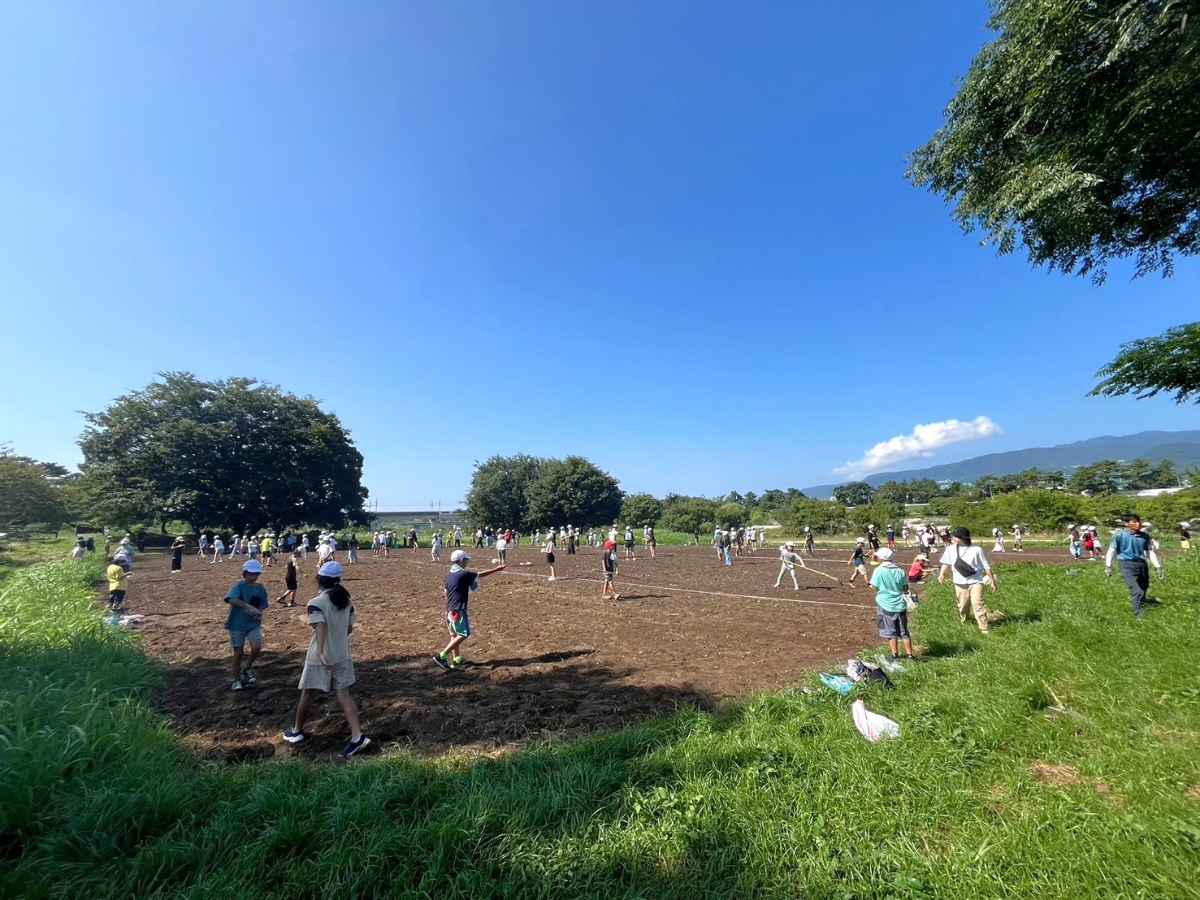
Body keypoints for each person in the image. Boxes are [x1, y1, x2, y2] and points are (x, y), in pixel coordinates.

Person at [283, 561, 371, 759]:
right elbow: (348, 629)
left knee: (307, 693)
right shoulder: (346, 600)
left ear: (319, 579)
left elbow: (320, 628)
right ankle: (357, 736)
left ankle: (296, 731)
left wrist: (322, 652)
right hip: (342, 653)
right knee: (344, 694)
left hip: (320, 656)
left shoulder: (316, 603)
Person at [433, 550, 505, 670]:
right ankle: (442, 655)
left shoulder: (449, 575)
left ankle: (456, 659)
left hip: (450, 609)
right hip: (459, 609)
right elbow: (479, 575)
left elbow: (446, 593)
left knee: (454, 635)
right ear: (461, 560)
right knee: (464, 634)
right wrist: (497, 569)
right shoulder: (463, 574)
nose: (467, 562)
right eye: (466, 560)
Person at [938, 527, 998, 634]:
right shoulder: (950, 549)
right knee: (963, 606)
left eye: (955, 536)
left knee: (978, 603)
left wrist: (993, 580)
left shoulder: (977, 550)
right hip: (959, 582)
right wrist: (941, 574)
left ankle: (984, 628)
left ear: (961, 538)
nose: (952, 538)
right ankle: (965, 620)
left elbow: (986, 566)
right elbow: (946, 563)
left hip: (976, 581)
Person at [224, 560, 268, 690]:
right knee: (238, 653)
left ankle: (246, 668)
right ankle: (236, 680)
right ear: (244, 574)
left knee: (257, 647)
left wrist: (258, 613)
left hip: (253, 624)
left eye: (257, 574)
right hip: (236, 625)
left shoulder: (260, 588)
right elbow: (231, 599)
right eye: (251, 574)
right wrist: (247, 606)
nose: (254, 576)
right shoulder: (238, 586)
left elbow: (262, 605)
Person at [870, 548, 915, 661]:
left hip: (885, 604)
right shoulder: (900, 570)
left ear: (881, 558)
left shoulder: (878, 570)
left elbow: (874, 586)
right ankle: (910, 656)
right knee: (904, 631)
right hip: (900, 604)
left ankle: (895, 655)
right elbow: (905, 588)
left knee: (890, 632)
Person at [1105, 513, 1153, 619]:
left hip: (1142, 564)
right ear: (1127, 524)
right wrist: (1108, 566)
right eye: (1134, 521)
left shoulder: (1145, 536)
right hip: (1126, 564)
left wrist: (1158, 566)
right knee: (1136, 589)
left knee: (1144, 587)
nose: (1138, 523)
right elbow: (1111, 551)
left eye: (1138, 521)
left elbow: (1150, 552)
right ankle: (1139, 615)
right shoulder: (1119, 535)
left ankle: (1143, 603)